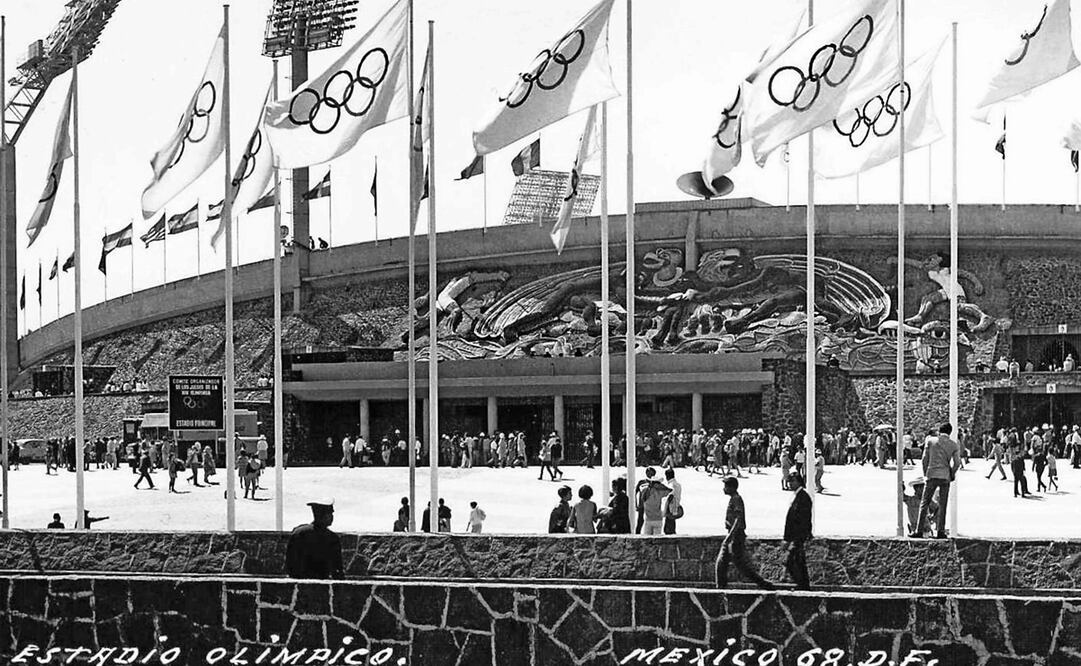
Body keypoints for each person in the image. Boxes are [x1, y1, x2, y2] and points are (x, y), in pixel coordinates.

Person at [715, 477, 774, 590]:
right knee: (723, 563)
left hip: (736, 536)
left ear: (731, 487)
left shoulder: (736, 499)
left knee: (739, 565)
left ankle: (764, 584)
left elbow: (738, 519)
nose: (724, 489)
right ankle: (720, 587)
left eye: (726, 486)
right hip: (733, 535)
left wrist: (730, 536)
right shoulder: (733, 499)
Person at [912, 423, 961, 539]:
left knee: (924, 503)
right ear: (950, 432)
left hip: (932, 474)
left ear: (939, 431)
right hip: (945, 476)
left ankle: (919, 531)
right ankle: (941, 531)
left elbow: (924, 459)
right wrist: (952, 474)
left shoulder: (931, 441)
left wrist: (925, 473)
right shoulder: (953, 445)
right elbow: (957, 463)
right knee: (943, 505)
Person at [285, 498, 344, 579]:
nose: (332, 517)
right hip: (322, 586)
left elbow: (290, 563)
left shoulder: (299, 533)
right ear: (322, 515)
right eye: (329, 514)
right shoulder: (331, 538)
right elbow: (337, 568)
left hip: (299, 585)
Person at [783, 473, 813, 590]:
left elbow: (802, 520)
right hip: (796, 536)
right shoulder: (797, 496)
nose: (790, 484)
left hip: (798, 536)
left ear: (798, 482)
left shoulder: (803, 497)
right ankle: (804, 586)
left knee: (791, 561)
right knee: (799, 562)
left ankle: (802, 586)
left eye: (792, 481)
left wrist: (792, 538)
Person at [662, 468, 683, 535]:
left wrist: (665, 509)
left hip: (670, 509)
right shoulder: (678, 485)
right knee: (672, 527)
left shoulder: (671, 485)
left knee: (668, 529)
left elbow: (670, 497)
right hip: (675, 508)